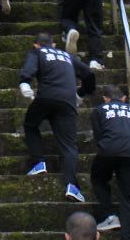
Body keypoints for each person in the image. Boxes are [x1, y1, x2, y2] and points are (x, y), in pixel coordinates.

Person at [18, 33, 96, 201]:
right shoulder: (67, 55)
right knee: (69, 145)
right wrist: (80, 94)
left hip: (46, 96)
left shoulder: (37, 53)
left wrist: (25, 82)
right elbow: (89, 74)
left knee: (31, 125)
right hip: (67, 102)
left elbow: (30, 69)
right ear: (53, 45)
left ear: (36, 45)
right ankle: (72, 186)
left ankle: (39, 162)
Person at [91, 87, 130, 240]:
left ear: (105, 98)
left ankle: (109, 215)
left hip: (107, 149)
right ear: (123, 98)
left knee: (98, 178)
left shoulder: (99, 110)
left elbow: (99, 136)